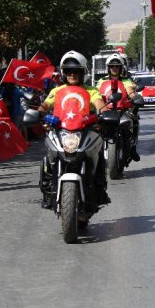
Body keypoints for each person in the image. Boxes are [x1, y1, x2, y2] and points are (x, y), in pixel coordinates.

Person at [39, 50, 110, 204]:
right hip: (61, 131)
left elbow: (100, 105)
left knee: (97, 156)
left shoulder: (91, 90)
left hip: (85, 131)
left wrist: (104, 113)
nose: (72, 74)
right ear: (63, 73)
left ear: (82, 72)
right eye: (68, 71)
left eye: (76, 71)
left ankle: (99, 189)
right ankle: (47, 185)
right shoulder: (57, 90)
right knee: (48, 156)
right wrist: (38, 112)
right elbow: (46, 105)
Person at [96, 53, 140, 162]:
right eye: (112, 66)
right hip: (106, 110)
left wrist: (135, 97)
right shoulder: (102, 81)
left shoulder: (125, 80)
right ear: (108, 68)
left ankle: (132, 147)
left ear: (121, 68)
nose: (114, 68)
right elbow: (96, 93)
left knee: (134, 120)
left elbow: (130, 90)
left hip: (122, 110)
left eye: (117, 66)